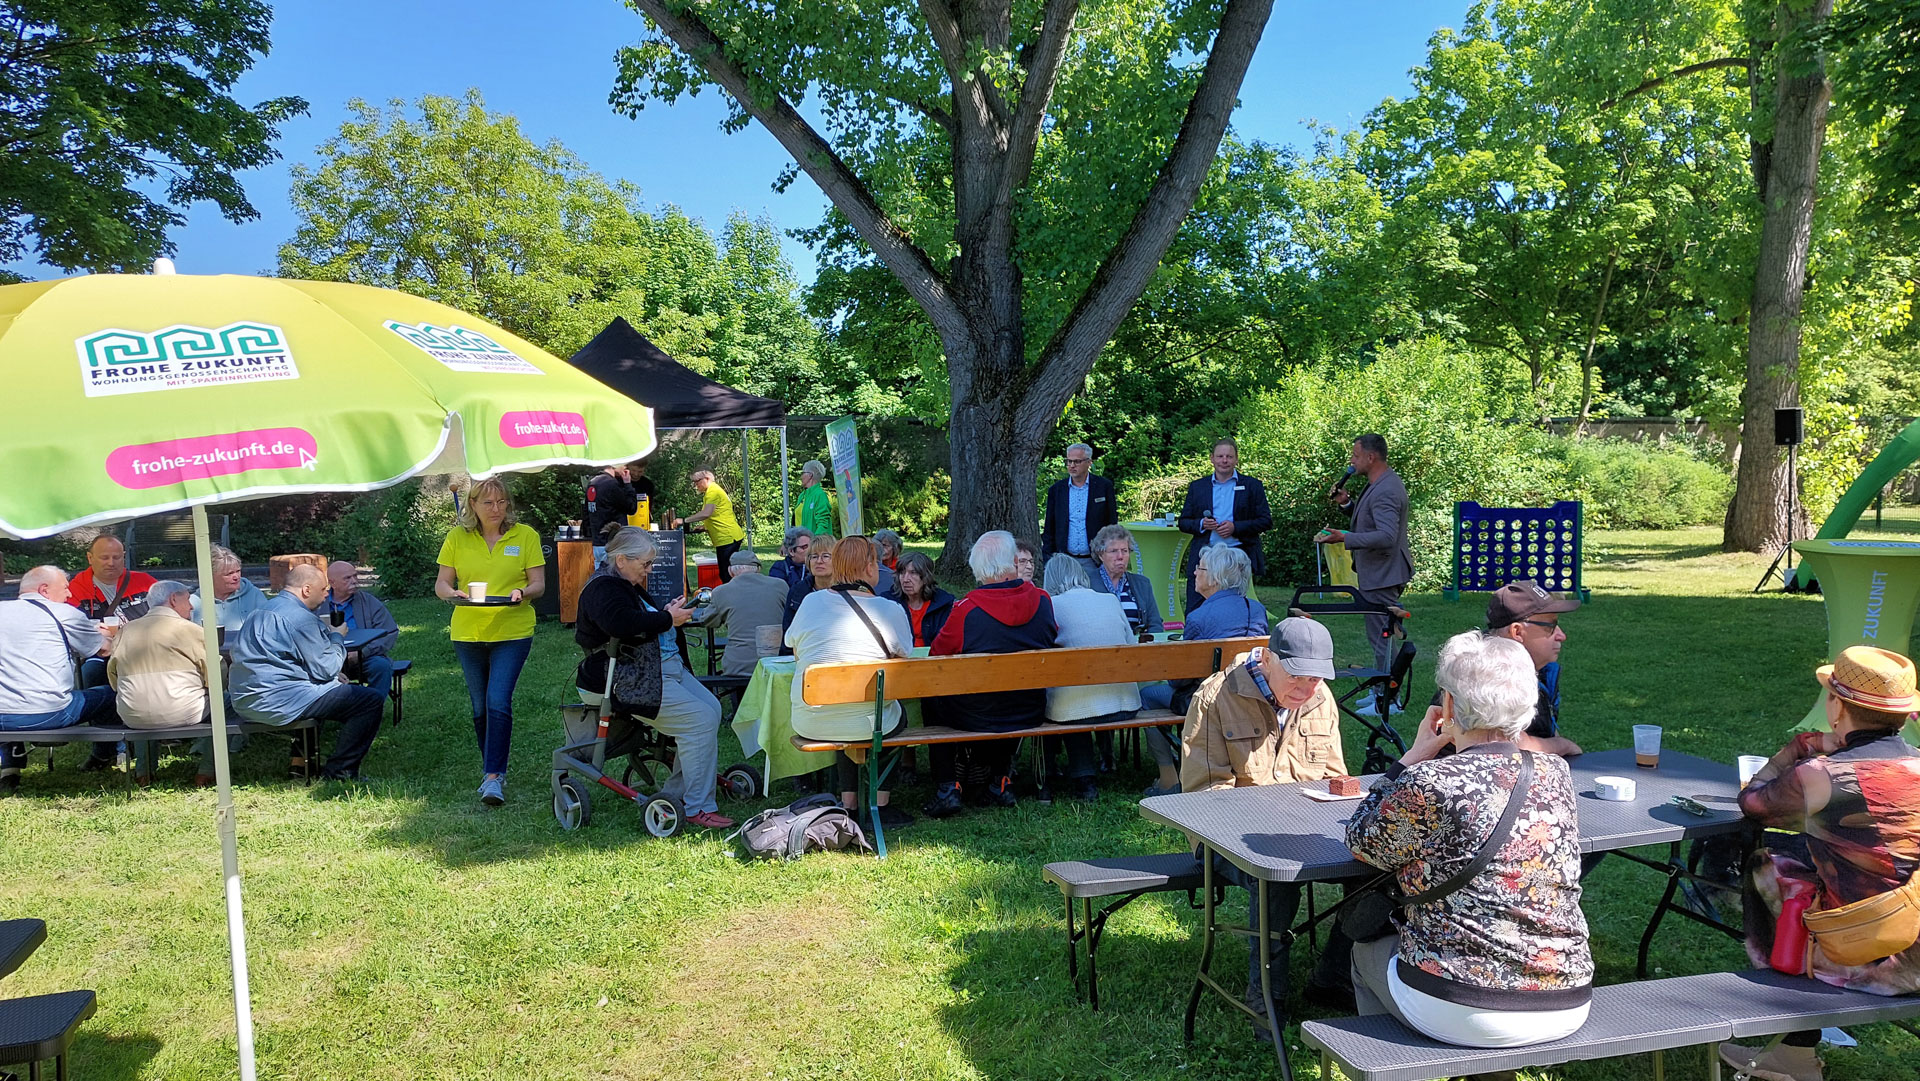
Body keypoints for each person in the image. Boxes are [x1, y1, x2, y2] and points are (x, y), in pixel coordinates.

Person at [1345, 630, 1593, 1053]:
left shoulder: (1430, 782)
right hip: (1565, 998)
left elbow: (1362, 841)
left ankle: (1385, 1062)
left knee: (1363, 954)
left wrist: (1408, 760)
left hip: (1462, 1002)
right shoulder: (1555, 773)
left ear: (1449, 706)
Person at [1717, 646, 1920, 1081]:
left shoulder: (1821, 777)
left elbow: (1753, 803)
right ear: (1903, 715)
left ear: (1837, 707)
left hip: (1873, 963)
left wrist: (1799, 748)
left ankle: (1795, 1047)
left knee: (1767, 866)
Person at [1182, 618, 1354, 1021]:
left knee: (1378, 869)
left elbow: (1335, 778)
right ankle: (1266, 1000)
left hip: (1304, 831)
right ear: (1267, 660)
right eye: (1296, 676)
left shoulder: (1320, 698)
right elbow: (1206, 798)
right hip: (1224, 836)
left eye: (1316, 678)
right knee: (1277, 878)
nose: (1307, 689)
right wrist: (1273, 829)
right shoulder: (1215, 696)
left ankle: (1333, 976)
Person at [574, 527, 733, 829]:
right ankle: (696, 806)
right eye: (645, 564)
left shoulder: (622, 583)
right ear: (621, 560)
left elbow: (639, 621)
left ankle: (679, 795)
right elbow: (620, 623)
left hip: (653, 670)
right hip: (624, 679)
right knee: (698, 720)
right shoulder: (603, 588)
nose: (649, 570)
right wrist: (667, 618)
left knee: (711, 709)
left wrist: (665, 614)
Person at [922, 531, 1056, 817]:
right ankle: (999, 779)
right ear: (1013, 562)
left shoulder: (966, 610)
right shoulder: (1043, 601)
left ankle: (948, 786)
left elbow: (937, 656)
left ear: (978, 570)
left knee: (933, 695)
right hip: (1029, 708)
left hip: (977, 713)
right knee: (1006, 694)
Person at [786, 535, 915, 827]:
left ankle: (849, 803)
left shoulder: (810, 602)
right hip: (870, 723)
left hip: (811, 720)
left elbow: (794, 648)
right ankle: (880, 804)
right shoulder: (890, 609)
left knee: (847, 710)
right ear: (869, 567)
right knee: (883, 714)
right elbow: (904, 655)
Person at [434, 476, 546, 807]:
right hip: (468, 632)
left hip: (513, 631)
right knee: (479, 705)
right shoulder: (457, 537)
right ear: (473, 505)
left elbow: (539, 584)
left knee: (497, 700)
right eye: (487, 502)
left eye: (501, 501)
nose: (496, 508)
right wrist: (451, 594)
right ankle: (491, 769)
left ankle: (494, 776)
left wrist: (522, 591)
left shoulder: (525, 536)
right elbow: (442, 583)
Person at [228, 565, 385, 783]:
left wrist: (329, 679)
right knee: (370, 701)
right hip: (278, 701)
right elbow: (327, 668)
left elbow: (282, 661)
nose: (327, 594)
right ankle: (340, 772)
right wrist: (337, 637)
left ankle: (300, 765)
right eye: (323, 589)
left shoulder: (261, 610)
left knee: (325, 691)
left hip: (245, 699)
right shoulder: (301, 619)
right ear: (306, 590)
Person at [1139, 545, 1268, 796]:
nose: (1194, 573)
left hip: (1212, 700)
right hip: (1253, 696)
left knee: (1148, 695)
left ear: (1215, 578)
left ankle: (1168, 777)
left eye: (1201, 568)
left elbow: (1179, 681)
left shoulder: (1199, 617)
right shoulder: (1257, 610)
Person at [1418, 581, 1583, 757]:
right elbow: (1505, 742)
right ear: (1517, 632)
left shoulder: (1537, 669)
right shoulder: (1481, 674)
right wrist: (1563, 746)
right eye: (1550, 627)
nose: (1561, 635)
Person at [0, 566, 116, 793]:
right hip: (48, 714)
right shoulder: (63, 613)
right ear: (44, 590)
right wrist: (105, 635)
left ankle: (10, 767)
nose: (69, 594)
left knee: (9, 689)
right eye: (65, 588)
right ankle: (104, 755)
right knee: (110, 693)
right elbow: (104, 650)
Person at [1041, 554, 1138, 801]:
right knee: (1083, 696)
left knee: (1072, 701)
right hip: (1124, 704)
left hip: (1075, 710)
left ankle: (1084, 780)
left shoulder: (1050, 605)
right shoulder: (1110, 600)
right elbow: (1132, 646)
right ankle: (1104, 760)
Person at [107, 580, 220, 785]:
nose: (191, 606)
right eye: (187, 600)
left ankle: (143, 773)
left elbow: (113, 679)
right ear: (173, 600)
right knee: (225, 703)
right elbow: (216, 674)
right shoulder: (190, 630)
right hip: (185, 712)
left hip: (132, 715)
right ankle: (207, 771)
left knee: (142, 698)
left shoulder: (125, 631)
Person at [1319, 434, 1414, 672]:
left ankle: (1387, 689)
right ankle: (1384, 685)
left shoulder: (1385, 489)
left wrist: (1345, 538)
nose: (1352, 461)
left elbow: (1386, 536)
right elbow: (1370, 520)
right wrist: (1346, 504)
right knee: (1381, 633)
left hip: (1383, 573)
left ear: (1371, 457)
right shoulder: (1380, 483)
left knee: (1381, 637)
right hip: (1380, 571)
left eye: (1356, 455)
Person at [1177, 437, 1272, 614]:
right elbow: (1183, 522)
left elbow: (1265, 521)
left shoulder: (1252, 486)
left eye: (1229, 456)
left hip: (1236, 556)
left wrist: (1235, 527)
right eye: (1220, 456)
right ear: (1212, 458)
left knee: (1235, 607)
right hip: (1205, 555)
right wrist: (1202, 524)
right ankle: (1194, 632)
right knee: (1196, 607)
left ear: (1236, 459)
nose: (1224, 460)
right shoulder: (1197, 487)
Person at [698, 551, 790, 676]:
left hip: (739, 666)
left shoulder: (721, 592)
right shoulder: (780, 586)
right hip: (777, 663)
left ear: (730, 571)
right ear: (758, 569)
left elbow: (707, 620)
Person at [325, 561, 400, 704]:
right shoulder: (318, 604)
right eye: (347, 578)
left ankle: (372, 708)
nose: (354, 581)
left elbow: (389, 632)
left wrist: (363, 652)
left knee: (381, 666)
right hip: (328, 660)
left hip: (364, 658)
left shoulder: (369, 602)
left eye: (355, 576)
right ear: (332, 583)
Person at [1041, 443, 1118, 568]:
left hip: (1095, 560)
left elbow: (1112, 523)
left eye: (1077, 461)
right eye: (1069, 461)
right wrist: (1048, 558)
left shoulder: (1103, 487)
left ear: (1089, 462)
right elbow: (1049, 527)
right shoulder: (1057, 490)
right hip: (1065, 560)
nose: (1072, 465)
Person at [1088, 524, 1164, 637]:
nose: (1120, 556)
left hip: (1138, 645)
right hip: (1101, 643)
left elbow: (1155, 624)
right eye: (1113, 551)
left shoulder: (1142, 584)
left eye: (1124, 551)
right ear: (1101, 555)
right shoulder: (1087, 583)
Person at [674, 469, 747, 583]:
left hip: (727, 537)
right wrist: (705, 527)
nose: (695, 485)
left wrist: (684, 520)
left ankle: (734, 593)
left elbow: (706, 513)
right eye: (694, 482)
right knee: (726, 573)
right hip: (726, 537)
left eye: (697, 481)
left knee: (727, 575)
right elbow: (718, 513)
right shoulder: (711, 491)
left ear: (707, 479)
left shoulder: (713, 492)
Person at [67, 533, 157, 622]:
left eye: (116, 557)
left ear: (123, 556)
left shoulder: (145, 582)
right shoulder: (75, 590)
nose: (111, 563)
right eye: (104, 558)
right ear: (90, 558)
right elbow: (70, 624)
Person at [189, 545, 268, 631]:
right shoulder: (193, 602)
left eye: (238, 571)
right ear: (211, 576)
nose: (236, 577)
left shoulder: (254, 596)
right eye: (229, 574)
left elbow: (267, 628)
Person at [584, 463, 646, 561]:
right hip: (614, 543)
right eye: (624, 464)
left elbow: (586, 513)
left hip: (598, 542)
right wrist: (627, 484)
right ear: (614, 465)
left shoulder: (592, 483)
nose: (626, 467)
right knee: (616, 570)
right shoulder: (612, 484)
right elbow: (631, 508)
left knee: (600, 570)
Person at [781, 535, 836, 640]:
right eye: (814, 556)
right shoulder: (798, 591)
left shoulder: (847, 590)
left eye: (825, 556)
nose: (819, 561)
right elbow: (788, 630)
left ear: (837, 560)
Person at [895, 552, 955, 649]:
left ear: (926, 577)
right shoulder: (889, 602)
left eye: (913, 573)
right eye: (902, 573)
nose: (905, 579)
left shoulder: (943, 604)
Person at [793, 459, 836, 538]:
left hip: (814, 543)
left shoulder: (820, 495)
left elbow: (823, 524)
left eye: (803, 473)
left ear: (810, 475)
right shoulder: (802, 496)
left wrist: (813, 542)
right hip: (800, 542)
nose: (801, 477)